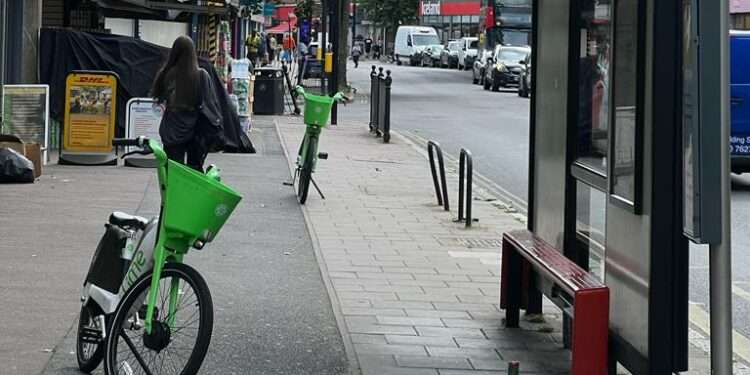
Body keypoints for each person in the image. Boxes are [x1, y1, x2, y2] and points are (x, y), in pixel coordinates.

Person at [152, 36, 209, 172]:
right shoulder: (201, 75)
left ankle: (174, 193)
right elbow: (207, 103)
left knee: (173, 170)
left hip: (172, 128)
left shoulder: (166, 74)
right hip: (196, 129)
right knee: (194, 172)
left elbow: (158, 97)